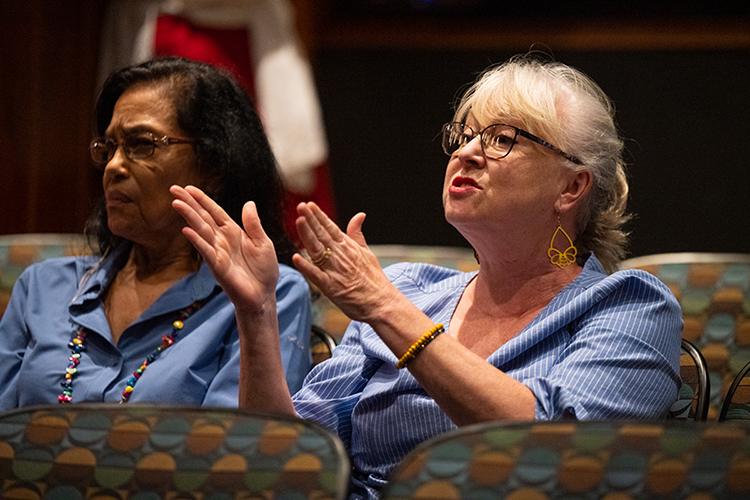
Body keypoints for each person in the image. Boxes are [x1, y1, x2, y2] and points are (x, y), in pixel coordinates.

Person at [171, 54, 682, 499]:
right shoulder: (411, 287)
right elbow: (288, 459)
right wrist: (255, 314)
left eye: (503, 139)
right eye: (464, 135)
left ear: (572, 187)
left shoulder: (630, 306)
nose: (466, 152)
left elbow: (554, 451)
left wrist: (385, 309)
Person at [0, 57, 311, 410]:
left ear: (213, 165)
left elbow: (255, 449)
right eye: (109, 147)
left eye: (141, 144)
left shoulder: (268, 294)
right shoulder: (42, 288)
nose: (114, 166)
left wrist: (255, 312)